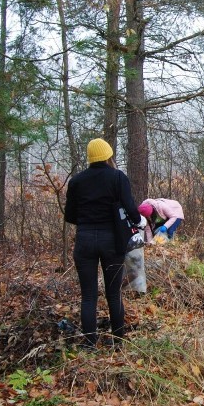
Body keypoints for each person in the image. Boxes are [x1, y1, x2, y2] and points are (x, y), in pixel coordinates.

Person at [64, 138, 143, 349]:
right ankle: (118, 342)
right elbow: (130, 209)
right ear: (109, 156)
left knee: (88, 296)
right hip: (112, 242)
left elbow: (70, 216)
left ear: (90, 158)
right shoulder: (117, 177)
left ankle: (90, 344)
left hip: (85, 241)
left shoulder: (77, 181)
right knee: (113, 292)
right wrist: (139, 221)